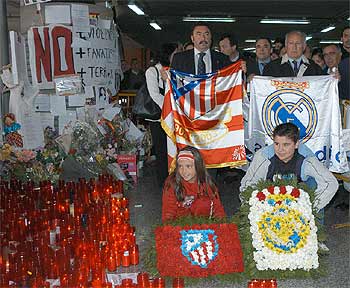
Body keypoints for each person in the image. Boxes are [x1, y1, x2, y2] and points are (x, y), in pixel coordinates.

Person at [240, 123, 338, 212]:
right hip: (269, 197)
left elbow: (330, 182)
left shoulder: (307, 159)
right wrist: (253, 210)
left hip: (297, 198)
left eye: (286, 144)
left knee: (314, 183)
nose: (280, 149)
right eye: (276, 144)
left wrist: (309, 208)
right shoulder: (263, 156)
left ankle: (314, 226)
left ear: (296, 144)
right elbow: (248, 184)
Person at [146, 43, 182, 188]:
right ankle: (163, 182)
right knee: (161, 150)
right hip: (158, 117)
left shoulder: (175, 70)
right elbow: (154, 94)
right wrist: (168, 109)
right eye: (175, 53)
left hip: (174, 116)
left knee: (173, 148)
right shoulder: (152, 71)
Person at [162, 146, 226, 222]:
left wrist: (221, 226)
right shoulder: (172, 183)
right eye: (180, 166)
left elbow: (218, 208)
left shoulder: (206, 183)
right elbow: (168, 211)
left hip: (202, 224)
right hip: (179, 224)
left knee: (202, 203)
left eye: (188, 166)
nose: (184, 171)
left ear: (198, 166)